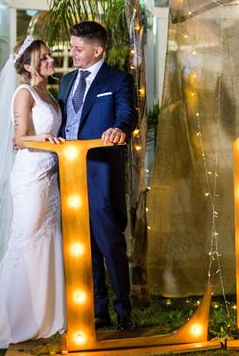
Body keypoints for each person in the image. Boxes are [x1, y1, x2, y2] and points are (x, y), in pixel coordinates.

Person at [0, 36, 66, 349]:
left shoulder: (48, 94)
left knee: (47, 242)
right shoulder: (23, 93)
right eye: (43, 58)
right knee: (25, 243)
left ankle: (45, 316)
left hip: (50, 177)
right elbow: (20, 139)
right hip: (30, 178)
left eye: (50, 56)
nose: (50, 61)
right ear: (27, 66)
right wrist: (44, 138)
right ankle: (11, 321)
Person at [58, 21, 137, 331]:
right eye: (72, 47)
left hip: (101, 172)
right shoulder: (65, 82)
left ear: (97, 50)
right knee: (84, 246)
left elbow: (127, 113)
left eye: (78, 49)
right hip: (69, 173)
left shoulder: (118, 80)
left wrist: (120, 128)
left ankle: (124, 312)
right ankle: (98, 310)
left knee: (110, 244)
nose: (72, 53)